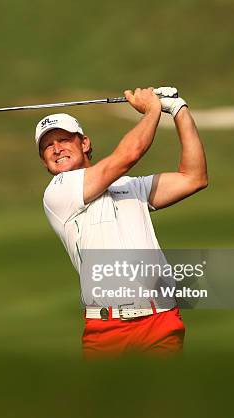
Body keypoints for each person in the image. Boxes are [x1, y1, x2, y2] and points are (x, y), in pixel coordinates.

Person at [36, 87, 208, 357]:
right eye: (47, 145)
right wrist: (152, 110)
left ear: (85, 144)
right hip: (107, 329)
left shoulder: (130, 186)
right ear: (44, 162)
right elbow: (128, 156)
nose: (56, 149)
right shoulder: (58, 192)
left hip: (159, 320)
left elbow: (193, 178)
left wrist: (178, 110)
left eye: (64, 140)